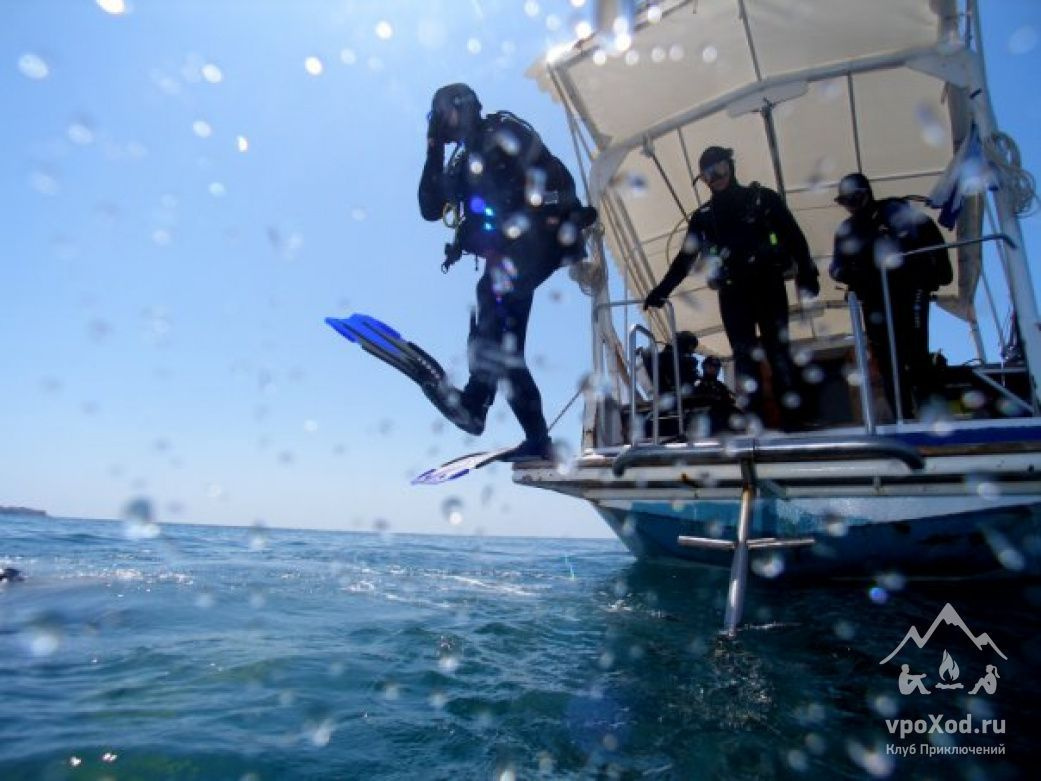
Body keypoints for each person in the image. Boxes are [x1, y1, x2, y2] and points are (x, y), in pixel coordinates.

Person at [417, 83, 594, 459]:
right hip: (510, 255)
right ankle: (538, 441)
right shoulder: (460, 163)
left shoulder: (504, 130)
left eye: (441, 113)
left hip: (545, 235)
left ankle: (476, 400)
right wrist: (433, 146)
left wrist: (521, 222)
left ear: (464, 108)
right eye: (435, 118)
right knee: (507, 353)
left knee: (491, 292)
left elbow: (554, 182)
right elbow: (430, 207)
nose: (441, 122)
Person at [643, 146, 820, 430]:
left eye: (719, 170)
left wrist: (809, 274)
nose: (715, 178)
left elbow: (795, 237)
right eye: (707, 176)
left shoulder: (763, 199)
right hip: (732, 292)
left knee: (779, 351)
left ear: (731, 166)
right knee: (744, 357)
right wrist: (661, 291)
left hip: (768, 284)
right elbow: (685, 260)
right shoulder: (703, 218)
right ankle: (756, 425)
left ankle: (793, 420)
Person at [829, 173, 952, 419]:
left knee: (916, 354)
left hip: (909, 293)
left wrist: (935, 274)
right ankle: (902, 417)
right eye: (845, 202)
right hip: (875, 300)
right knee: (887, 361)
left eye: (854, 199)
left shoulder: (895, 212)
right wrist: (851, 273)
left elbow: (931, 238)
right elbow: (836, 267)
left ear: (866, 194)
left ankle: (932, 417)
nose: (851, 206)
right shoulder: (847, 230)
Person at [641, 330, 701, 397]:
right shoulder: (680, 359)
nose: (692, 352)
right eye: (691, 347)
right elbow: (691, 379)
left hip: (666, 396)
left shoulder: (663, 356)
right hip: (680, 396)